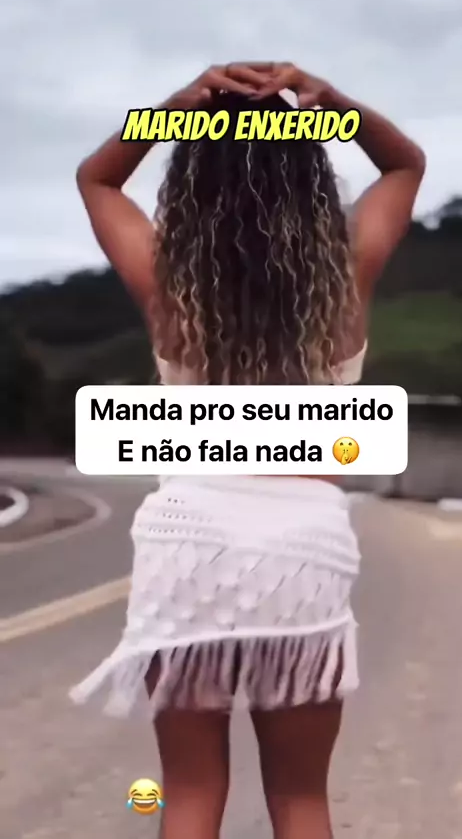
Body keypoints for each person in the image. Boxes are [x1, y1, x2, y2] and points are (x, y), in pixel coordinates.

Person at [70, 62, 425, 839]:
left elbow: (97, 180)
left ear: (194, 180)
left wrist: (170, 112)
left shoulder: (171, 285)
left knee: (190, 793)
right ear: (311, 177)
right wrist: (336, 104)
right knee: (300, 799)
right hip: (303, 546)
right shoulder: (345, 278)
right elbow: (405, 165)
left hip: (188, 540)